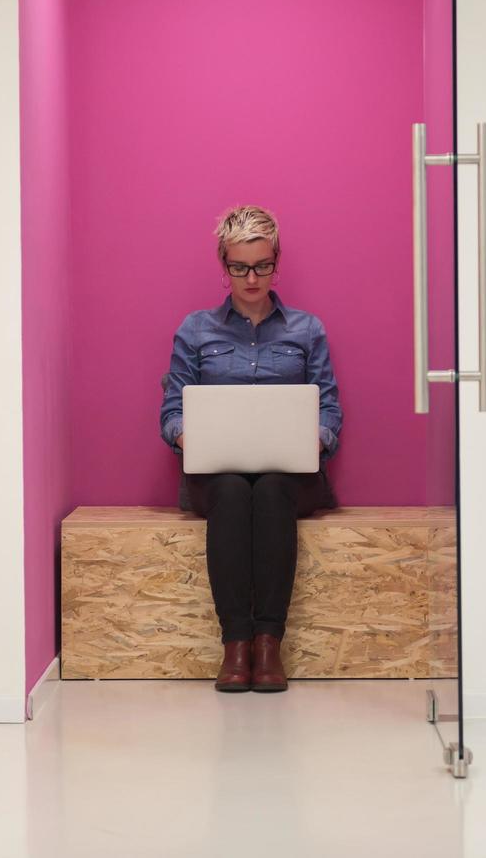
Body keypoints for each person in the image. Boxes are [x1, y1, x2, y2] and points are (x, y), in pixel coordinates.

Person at [160, 206, 342, 693]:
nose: (252, 277)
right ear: (224, 265)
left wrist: (314, 438)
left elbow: (329, 409)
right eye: (239, 267)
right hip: (217, 477)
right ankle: (236, 646)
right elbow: (172, 410)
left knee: (271, 490)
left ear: (275, 260)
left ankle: (268, 645)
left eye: (262, 265)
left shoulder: (307, 330)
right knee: (235, 491)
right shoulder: (195, 330)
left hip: (291, 477)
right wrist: (187, 436)